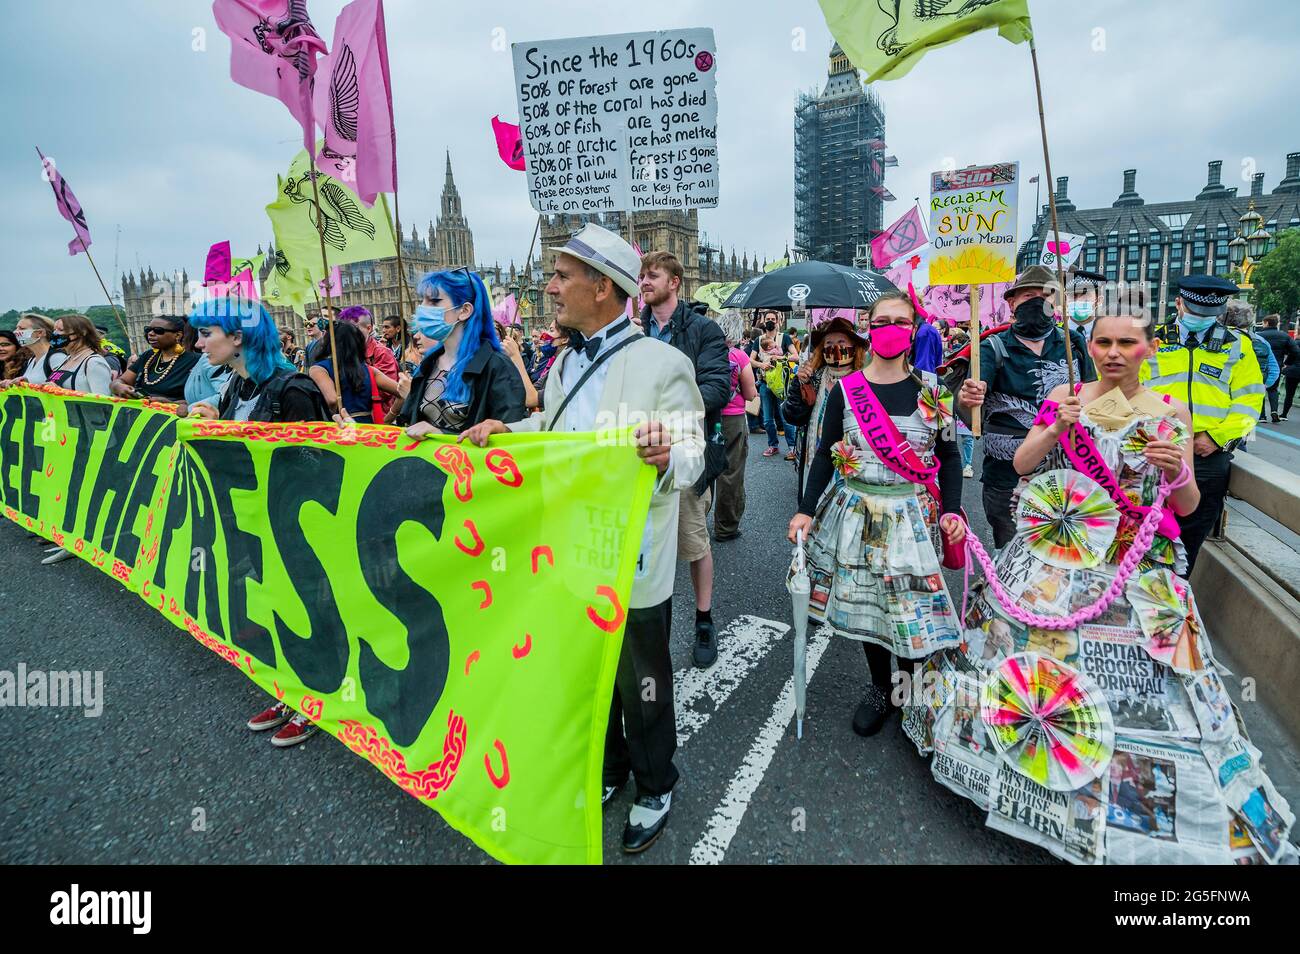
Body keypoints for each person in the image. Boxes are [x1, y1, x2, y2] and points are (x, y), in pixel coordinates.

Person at [461, 223, 703, 854]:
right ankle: (611, 766)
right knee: (590, 671)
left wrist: (667, 456)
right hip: (572, 552)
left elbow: (696, 452)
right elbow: (558, 426)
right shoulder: (566, 361)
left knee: (642, 680)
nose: (550, 286)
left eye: (562, 276)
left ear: (602, 288)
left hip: (633, 557)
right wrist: (509, 430)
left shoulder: (664, 363)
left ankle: (656, 784)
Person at [788, 289, 966, 737]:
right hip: (859, 513)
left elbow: (949, 456)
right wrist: (805, 510)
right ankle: (880, 687)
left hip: (912, 515)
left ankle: (907, 687)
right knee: (869, 605)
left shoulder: (934, 390)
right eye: (881, 321)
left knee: (907, 605)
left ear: (913, 330)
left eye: (900, 322)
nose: (890, 330)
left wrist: (953, 510)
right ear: (869, 327)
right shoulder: (846, 391)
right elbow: (825, 454)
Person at [187, 299, 331, 745]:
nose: (199, 344)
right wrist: (217, 419)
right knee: (277, 606)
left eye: (206, 334)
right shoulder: (237, 384)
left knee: (314, 610)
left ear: (238, 337)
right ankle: (293, 691)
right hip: (256, 520)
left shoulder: (294, 389)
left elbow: (318, 465)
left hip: (296, 525)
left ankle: (321, 701)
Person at [956, 264, 1094, 550]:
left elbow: (1094, 399)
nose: (1037, 302)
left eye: (1046, 296)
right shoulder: (991, 347)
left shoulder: (1074, 344)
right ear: (1012, 302)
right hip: (1006, 476)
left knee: (1063, 554)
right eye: (1029, 295)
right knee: (1013, 552)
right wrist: (967, 398)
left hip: (1066, 472)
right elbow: (970, 411)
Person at [639, 250, 730, 668]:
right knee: (642, 543)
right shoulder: (633, 331)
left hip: (684, 449)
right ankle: (646, 624)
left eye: (653, 275)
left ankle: (704, 619)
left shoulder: (703, 329)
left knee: (693, 543)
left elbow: (718, 386)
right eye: (641, 276)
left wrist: (669, 416)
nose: (644, 282)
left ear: (675, 281)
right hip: (640, 453)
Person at [1140, 275, 1264, 570]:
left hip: (1207, 456)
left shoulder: (1237, 345)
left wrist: (1218, 438)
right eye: (1196, 311)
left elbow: (1250, 401)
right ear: (1178, 303)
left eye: (1210, 313)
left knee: (1191, 537)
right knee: (1143, 529)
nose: (1202, 318)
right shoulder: (1152, 340)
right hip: (1153, 450)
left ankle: (1178, 589)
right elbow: (1132, 387)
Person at [394, 268, 527, 435]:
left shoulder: (497, 367)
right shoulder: (428, 364)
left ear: (464, 311)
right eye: (423, 300)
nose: (422, 308)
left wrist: (441, 435)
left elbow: (510, 435)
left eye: (434, 301)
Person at [782, 313, 868, 498]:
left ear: (854, 347)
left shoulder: (866, 381)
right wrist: (800, 384)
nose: (835, 348)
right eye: (829, 343)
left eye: (841, 342)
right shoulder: (814, 377)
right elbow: (793, 416)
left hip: (853, 462)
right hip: (815, 457)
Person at [712, 309, 759, 543]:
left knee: (703, 470)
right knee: (730, 472)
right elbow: (751, 394)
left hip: (708, 416)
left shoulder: (707, 351)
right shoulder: (739, 356)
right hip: (732, 418)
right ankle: (725, 526)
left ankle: (694, 527)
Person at [310, 320, 403, 424]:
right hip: (368, 428)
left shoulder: (319, 369)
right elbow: (403, 392)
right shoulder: (369, 369)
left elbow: (332, 400)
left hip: (340, 426)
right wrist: (388, 419)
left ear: (328, 342)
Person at [112, 314, 200, 402]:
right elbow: (122, 380)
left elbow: (203, 399)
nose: (150, 333)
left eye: (158, 330)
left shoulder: (196, 361)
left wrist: (170, 403)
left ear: (178, 335)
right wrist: (118, 386)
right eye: (148, 330)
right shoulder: (148, 356)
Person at [1222, 301, 1278, 424]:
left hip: (1221, 395)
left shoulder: (1217, 338)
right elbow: (1274, 369)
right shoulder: (1260, 341)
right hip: (1247, 399)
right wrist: (1261, 386)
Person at [339, 305, 400, 417]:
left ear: (369, 328)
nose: (349, 333)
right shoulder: (343, 353)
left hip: (376, 418)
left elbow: (386, 393)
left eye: (354, 328)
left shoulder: (381, 352)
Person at [43, 315, 114, 396]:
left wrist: (60, 392)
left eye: (61, 330)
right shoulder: (67, 359)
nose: (55, 333)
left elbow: (102, 401)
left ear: (81, 333)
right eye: (54, 330)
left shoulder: (94, 363)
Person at [1258, 314, 1299, 422]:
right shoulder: (1284, 336)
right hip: (1276, 366)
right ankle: (1274, 411)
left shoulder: (1258, 336)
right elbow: (1295, 351)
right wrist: (1287, 362)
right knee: (1273, 389)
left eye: (1263, 323)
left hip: (1260, 366)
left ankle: (1262, 416)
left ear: (1267, 323)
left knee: (1260, 389)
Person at [2, 314, 63, 386]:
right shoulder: (31, 360)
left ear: (40, 333)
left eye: (22, 328)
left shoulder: (56, 357)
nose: (15, 332)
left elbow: (60, 383)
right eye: (17, 328)